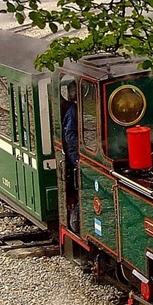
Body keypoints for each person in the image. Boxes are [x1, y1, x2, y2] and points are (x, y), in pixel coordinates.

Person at [62, 82, 80, 232]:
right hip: (74, 152)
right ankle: (75, 217)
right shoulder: (73, 110)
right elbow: (69, 136)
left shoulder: (76, 108)